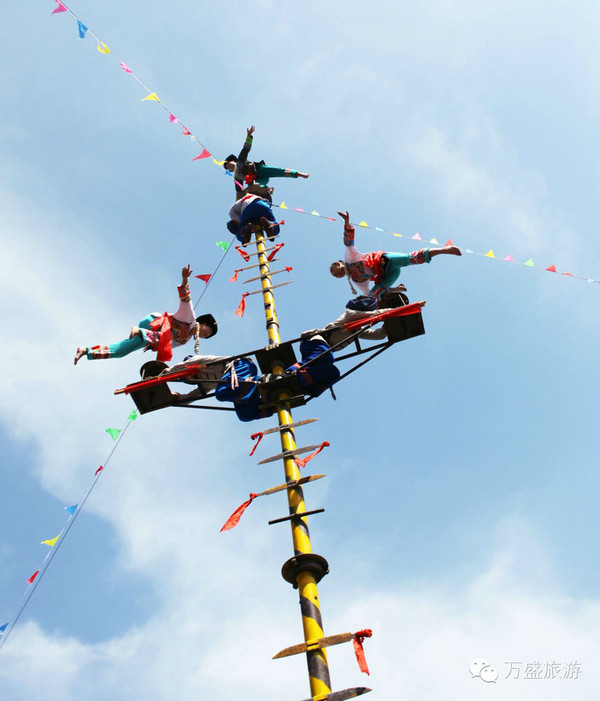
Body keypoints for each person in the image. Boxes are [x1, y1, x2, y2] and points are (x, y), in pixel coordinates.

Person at [74, 266, 217, 364]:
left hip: (152, 335)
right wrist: (185, 279)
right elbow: (185, 299)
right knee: (163, 337)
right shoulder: (189, 318)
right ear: (203, 324)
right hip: (153, 322)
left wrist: (156, 367)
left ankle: (86, 351)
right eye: (208, 331)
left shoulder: (184, 340)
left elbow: (166, 348)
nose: (207, 334)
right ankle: (139, 331)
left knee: (122, 351)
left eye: (209, 335)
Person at [330, 211, 461, 303]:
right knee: (371, 298)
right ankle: (383, 317)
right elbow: (370, 294)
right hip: (388, 275)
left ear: (338, 264)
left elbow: (349, 243)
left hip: (384, 260)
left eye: (333, 271)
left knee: (409, 259)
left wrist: (346, 222)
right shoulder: (356, 281)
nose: (336, 275)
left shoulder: (349, 259)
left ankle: (444, 249)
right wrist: (396, 289)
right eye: (335, 276)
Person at [224, 126, 309, 200]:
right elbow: (238, 190)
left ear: (233, 161)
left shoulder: (240, 160)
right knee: (252, 187)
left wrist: (249, 136)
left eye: (228, 164)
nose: (229, 167)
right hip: (259, 180)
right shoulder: (237, 176)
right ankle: (269, 189)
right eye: (228, 168)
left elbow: (246, 149)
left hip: (259, 169)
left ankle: (299, 174)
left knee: (278, 171)